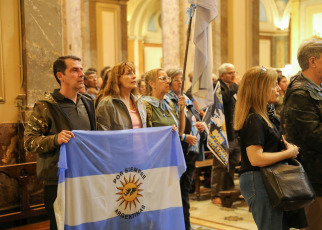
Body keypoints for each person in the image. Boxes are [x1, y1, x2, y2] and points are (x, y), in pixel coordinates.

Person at [24, 55, 96, 230]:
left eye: (81, 69)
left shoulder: (88, 102)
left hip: (84, 176)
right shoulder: (46, 105)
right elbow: (29, 142)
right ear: (60, 76)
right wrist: (55, 139)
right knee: (61, 225)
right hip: (58, 180)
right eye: (74, 70)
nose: (81, 74)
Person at [234, 66, 300, 229]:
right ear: (260, 89)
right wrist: (288, 153)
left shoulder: (264, 115)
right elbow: (257, 158)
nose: (278, 89)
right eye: (274, 85)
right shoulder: (254, 119)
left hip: (267, 177)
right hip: (258, 178)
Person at [283, 37, 322, 230]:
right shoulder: (301, 93)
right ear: (313, 61)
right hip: (314, 178)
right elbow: (314, 136)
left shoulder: (315, 88)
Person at [166, 68, 206, 230]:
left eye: (182, 79)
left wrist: (201, 125)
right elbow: (170, 127)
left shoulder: (187, 99)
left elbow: (195, 116)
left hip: (191, 151)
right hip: (178, 151)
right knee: (179, 193)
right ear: (169, 82)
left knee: (185, 192)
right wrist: (184, 137)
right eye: (176, 79)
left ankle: (186, 225)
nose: (180, 83)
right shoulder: (167, 100)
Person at [210, 63, 241, 205]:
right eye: (230, 73)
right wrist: (235, 85)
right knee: (220, 165)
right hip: (221, 133)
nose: (233, 75)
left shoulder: (232, 87)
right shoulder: (217, 87)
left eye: (234, 72)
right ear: (222, 75)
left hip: (233, 133)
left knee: (232, 163)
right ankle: (215, 193)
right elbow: (223, 100)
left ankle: (229, 191)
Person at [96, 62, 147, 130]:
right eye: (128, 73)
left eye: (134, 73)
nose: (134, 76)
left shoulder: (139, 101)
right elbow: (104, 135)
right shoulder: (107, 103)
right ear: (118, 78)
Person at [142, 68, 185, 136]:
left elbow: (180, 132)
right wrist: (166, 130)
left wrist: (182, 110)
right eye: (163, 78)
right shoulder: (145, 104)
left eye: (168, 78)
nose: (168, 81)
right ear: (152, 83)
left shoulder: (168, 103)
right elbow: (145, 134)